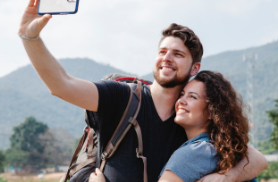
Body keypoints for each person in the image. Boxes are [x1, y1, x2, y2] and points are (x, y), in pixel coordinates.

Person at [18, 0, 268, 181]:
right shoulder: (122, 97)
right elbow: (61, 85)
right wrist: (30, 38)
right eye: (162, 52)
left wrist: (226, 177)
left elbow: (256, 159)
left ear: (195, 68)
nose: (167, 58)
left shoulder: (192, 119)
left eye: (178, 54)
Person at [89, 70, 250, 182]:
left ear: (212, 112)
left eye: (192, 97)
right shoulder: (224, 149)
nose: (181, 101)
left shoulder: (193, 154)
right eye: (182, 94)